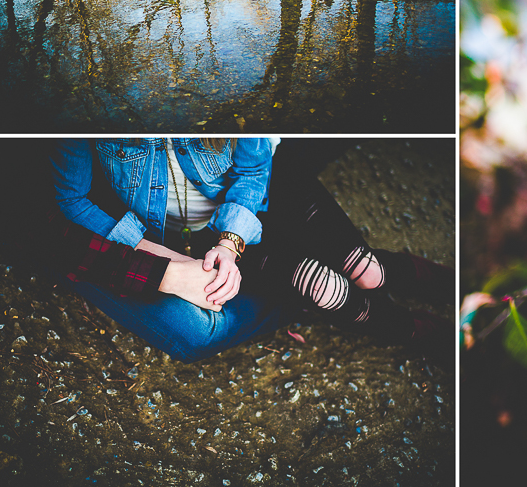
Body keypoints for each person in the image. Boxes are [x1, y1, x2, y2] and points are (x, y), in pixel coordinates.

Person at [45, 138, 454, 364]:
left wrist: (231, 240)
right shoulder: (88, 97)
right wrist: (156, 254)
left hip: (254, 205)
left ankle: (450, 284)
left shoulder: (226, 68)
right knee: (324, 289)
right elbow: (73, 199)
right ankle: (413, 330)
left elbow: (255, 169)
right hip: (186, 239)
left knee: (369, 273)